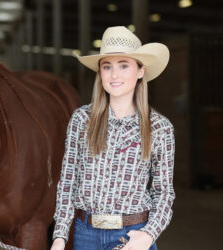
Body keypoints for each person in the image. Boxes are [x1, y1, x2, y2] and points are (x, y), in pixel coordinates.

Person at [51, 26, 175, 250]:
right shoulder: (81, 120)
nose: (114, 75)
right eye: (107, 67)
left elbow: (163, 193)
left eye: (123, 65)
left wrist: (148, 235)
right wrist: (59, 237)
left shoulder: (159, 127)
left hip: (133, 234)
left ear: (140, 71)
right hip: (85, 234)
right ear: (100, 73)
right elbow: (68, 183)